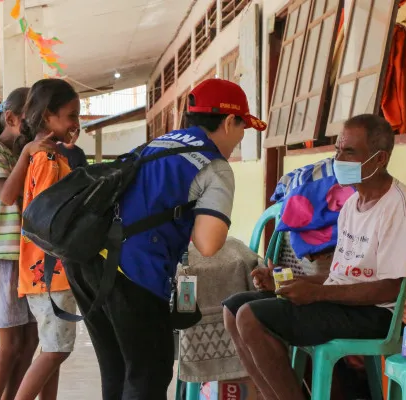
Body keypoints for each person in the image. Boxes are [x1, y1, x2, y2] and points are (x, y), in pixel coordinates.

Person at [67, 78, 267, 400]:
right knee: (149, 372)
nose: (241, 138)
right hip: (130, 269)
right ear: (230, 121)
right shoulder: (215, 167)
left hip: (86, 260)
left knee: (117, 369)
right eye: (242, 128)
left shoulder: (157, 144)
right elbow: (208, 243)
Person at [222, 114, 406, 400]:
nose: (339, 159)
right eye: (338, 151)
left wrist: (318, 295)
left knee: (251, 317)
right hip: (345, 301)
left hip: (380, 313)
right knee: (233, 309)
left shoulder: (399, 207)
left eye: (350, 152)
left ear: (380, 159)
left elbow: (391, 288)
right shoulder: (352, 204)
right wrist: (288, 281)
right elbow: (341, 276)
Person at [0, 87, 57, 400]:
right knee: (9, 345)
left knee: (31, 340)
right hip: (1, 253)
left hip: (24, 256)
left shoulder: (21, 151)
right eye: (31, 120)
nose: (36, 129)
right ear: (11, 118)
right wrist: (27, 153)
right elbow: (7, 195)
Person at [14, 78, 80, 400]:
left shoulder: (49, 156)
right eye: (70, 115)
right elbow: (49, 216)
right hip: (50, 271)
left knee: (54, 350)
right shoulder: (48, 159)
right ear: (47, 116)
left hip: (41, 271)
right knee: (55, 352)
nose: (75, 123)